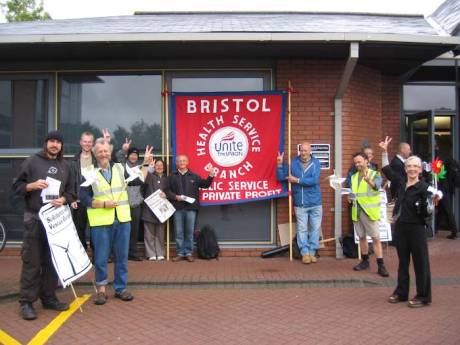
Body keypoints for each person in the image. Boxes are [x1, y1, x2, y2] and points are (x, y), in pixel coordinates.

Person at [80, 139, 153, 305]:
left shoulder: (120, 168)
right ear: (94, 153)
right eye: (100, 151)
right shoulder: (89, 171)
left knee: (122, 256)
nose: (103, 154)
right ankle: (101, 290)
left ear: (110, 152)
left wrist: (146, 164)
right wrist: (102, 204)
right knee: (101, 258)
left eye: (106, 151)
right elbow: (83, 196)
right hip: (100, 221)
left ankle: (120, 288)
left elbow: (137, 180)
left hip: (122, 219)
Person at [12, 130, 75, 320]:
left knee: (52, 262)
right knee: (32, 261)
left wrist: (63, 199)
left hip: (55, 223)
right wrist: (31, 186)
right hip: (34, 220)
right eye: (51, 141)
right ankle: (26, 302)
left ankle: (48, 297)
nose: (54, 145)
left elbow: (72, 193)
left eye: (58, 142)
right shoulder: (32, 162)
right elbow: (16, 187)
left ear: (62, 145)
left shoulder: (66, 166)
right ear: (46, 143)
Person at [380, 136, 442, 307]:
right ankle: (401, 292)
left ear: (420, 169)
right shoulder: (400, 182)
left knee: (420, 262)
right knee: (403, 262)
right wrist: (384, 151)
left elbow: (438, 193)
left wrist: (436, 197)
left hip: (417, 228)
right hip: (401, 226)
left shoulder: (424, 186)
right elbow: (386, 169)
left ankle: (423, 296)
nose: (412, 169)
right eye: (409, 166)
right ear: (405, 168)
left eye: (415, 166)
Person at [277, 141, 322, 264]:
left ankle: (312, 252)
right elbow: (281, 177)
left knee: (315, 229)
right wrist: (280, 164)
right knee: (302, 229)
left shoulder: (316, 163)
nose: (303, 153)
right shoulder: (293, 163)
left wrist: (296, 180)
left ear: (310, 151)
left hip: (315, 202)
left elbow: (314, 180)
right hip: (300, 202)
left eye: (306, 150)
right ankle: (305, 253)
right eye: (302, 150)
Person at [165, 154, 214, 262]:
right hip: (177, 208)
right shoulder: (172, 176)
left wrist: (211, 175)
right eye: (179, 161)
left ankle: (188, 253)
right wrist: (175, 197)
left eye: (184, 161)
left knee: (189, 232)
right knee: (179, 232)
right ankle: (180, 253)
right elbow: (166, 191)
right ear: (177, 163)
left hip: (191, 208)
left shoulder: (194, 176)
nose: (182, 163)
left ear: (187, 162)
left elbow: (205, 185)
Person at [348, 152, 389, 277]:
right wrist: (350, 197)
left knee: (376, 238)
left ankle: (381, 265)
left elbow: (377, 187)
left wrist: (369, 181)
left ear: (366, 161)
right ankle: (365, 261)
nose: (357, 164)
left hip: (369, 211)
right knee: (361, 237)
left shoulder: (374, 174)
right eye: (355, 163)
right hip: (357, 211)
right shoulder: (354, 177)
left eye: (359, 162)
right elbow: (353, 192)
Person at [116, 139, 145, 261]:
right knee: (122, 229)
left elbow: (146, 175)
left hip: (136, 203)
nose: (133, 156)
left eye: (135, 155)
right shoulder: (123, 166)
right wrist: (124, 149)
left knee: (134, 230)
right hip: (123, 203)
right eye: (131, 154)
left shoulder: (140, 167)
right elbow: (118, 157)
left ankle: (133, 252)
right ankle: (121, 253)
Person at [69, 131, 96, 250]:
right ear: (81, 142)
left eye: (89, 142)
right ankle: (82, 254)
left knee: (95, 228)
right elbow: (70, 181)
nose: (87, 144)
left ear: (93, 143)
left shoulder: (97, 159)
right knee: (79, 229)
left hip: (94, 199)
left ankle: (96, 255)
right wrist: (71, 198)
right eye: (85, 141)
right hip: (79, 199)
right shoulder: (74, 161)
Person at [142, 159, 168, 261]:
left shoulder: (167, 178)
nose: (159, 167)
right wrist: (148, 166)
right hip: (149, 209)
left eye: (161, 165)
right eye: (157, 165)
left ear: (164, 167)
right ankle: (151, 253)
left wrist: (166, 194)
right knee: (149, 233)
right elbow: (142, 179)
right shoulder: (149, 176)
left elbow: (170, 191)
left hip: (162, 210)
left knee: (160, 233)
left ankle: (160, 252)